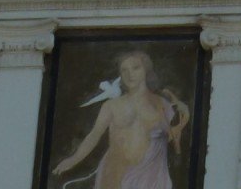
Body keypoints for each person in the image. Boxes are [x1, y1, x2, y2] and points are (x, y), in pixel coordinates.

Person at [52, 50, 189, 188]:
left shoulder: (161, 104)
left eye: (136, 68)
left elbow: (171, 138)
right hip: (116, 172)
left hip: (150, 174)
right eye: (124, 70)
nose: (130, 74)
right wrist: (73, 159)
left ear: (146, 70)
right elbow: (94, 135)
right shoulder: (111, 105)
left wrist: (184, 119)